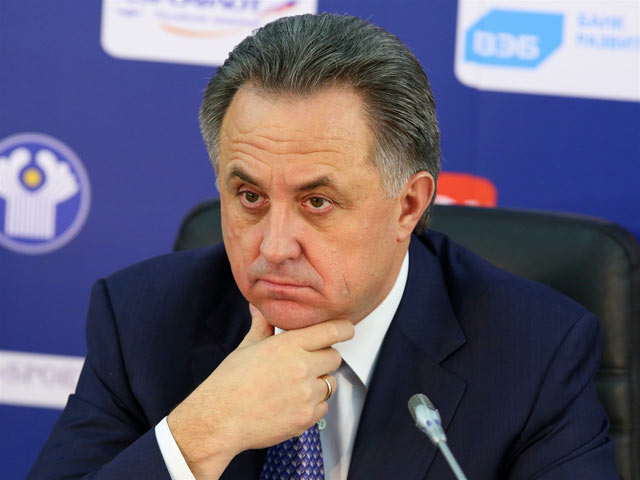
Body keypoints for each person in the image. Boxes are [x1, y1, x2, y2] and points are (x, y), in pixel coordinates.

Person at [29, 13, 617, 480]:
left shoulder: (533, 353)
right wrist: (202, 434)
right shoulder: (142, 320)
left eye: (317, 202)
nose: (275, 246)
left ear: (408, 206)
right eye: (250, 196)